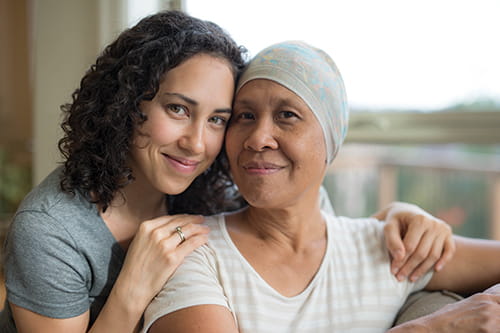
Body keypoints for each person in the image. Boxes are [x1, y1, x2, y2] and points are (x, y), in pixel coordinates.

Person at [0, 11, 453, 333]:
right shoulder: (52, 232)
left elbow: (312, 234)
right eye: (178, 109)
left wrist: (399, 214)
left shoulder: (216, 188)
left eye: (218, 118)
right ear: (126, 105)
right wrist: (132, 289)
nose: (197, 143)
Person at [142, 41, 500, 333]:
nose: (258, 138)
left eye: (287, 115)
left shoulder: (390, 250)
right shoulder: (190, 249)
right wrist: (427, 330)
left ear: (330, 142)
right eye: (244, 116)